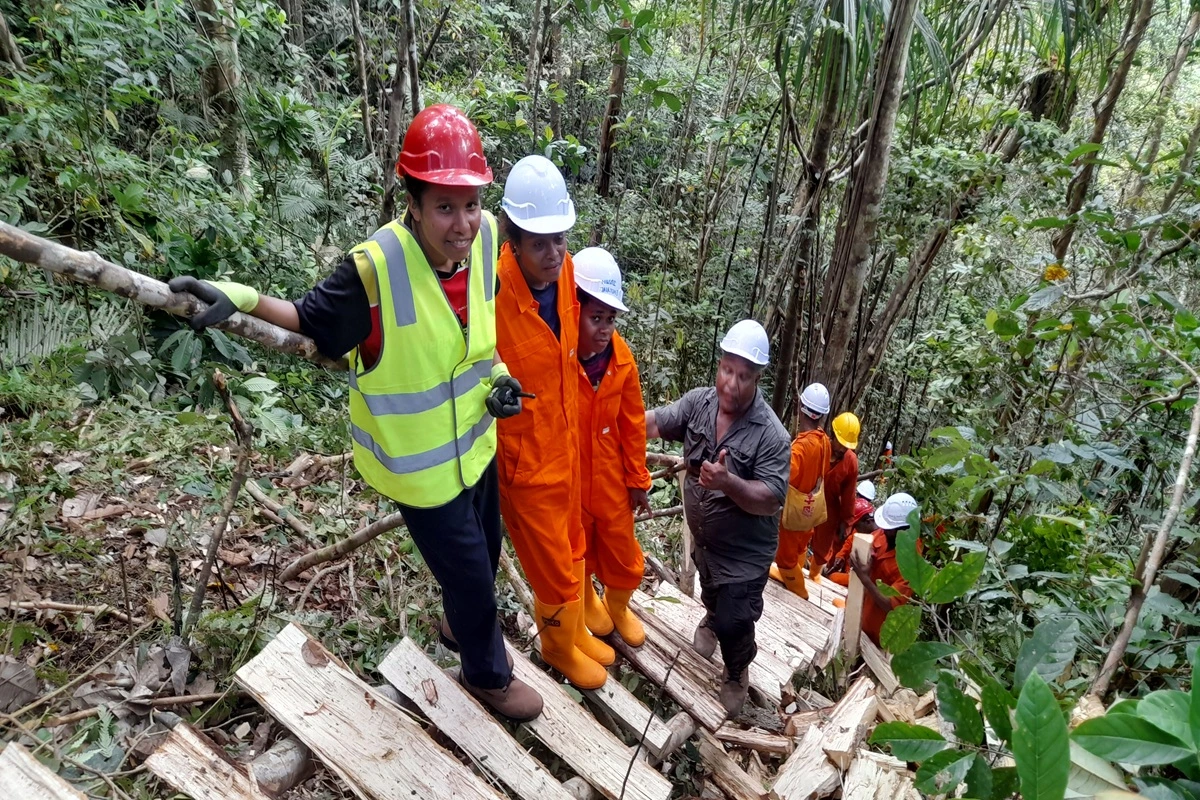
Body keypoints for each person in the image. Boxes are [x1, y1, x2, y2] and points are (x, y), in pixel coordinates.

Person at [167, 105, 543, 721]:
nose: (462, 223)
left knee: (487, 548)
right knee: (474, 574)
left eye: (471, 204)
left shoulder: (488, 245)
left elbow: (479, 345)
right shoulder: (375, 270)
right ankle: (488, 676)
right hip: (419, 472)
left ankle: (456, 621)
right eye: (444, 207)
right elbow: (310, 322)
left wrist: (500, 380)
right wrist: (240, 297)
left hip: (478, 447)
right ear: (413, 204)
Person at [495, 155, 613, 690]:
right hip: (524, 460)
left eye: (560, 239)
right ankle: (558, 644)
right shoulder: (491, 292)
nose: (553, 253)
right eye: (539, 243)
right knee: (550, 566)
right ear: (513, 238)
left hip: (564, 445)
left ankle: (575, 631)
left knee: (574, 543)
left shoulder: (566, 277)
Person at [645, 320, 791, 716]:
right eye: (727, 370)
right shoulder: (699, 403)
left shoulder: (772, 435)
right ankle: (712, 615)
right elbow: (658, 421)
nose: (732, 383)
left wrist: (729, 482)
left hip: (745, 554)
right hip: (705, 540)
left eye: (744, 376)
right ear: (719, 364)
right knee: (712, 591)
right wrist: (610, 425)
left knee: (735, 619)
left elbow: (771, 499)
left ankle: (737, 667)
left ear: (758, 378)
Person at [573, 247, 653, 647]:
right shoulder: (562, 358)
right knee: (578, 541)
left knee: (622, 546)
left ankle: (618, 604)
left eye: (610, 319)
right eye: (595, 318)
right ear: (575, 310)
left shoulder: (622, 362)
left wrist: (637, 479)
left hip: (609, 476)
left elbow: (633, 423)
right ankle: (586, 596)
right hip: (571, 474)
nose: (604, 328)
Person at [768, 383, 831, 600]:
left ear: (800, 405)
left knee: (785, 557)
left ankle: (800, 592)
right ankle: (793, 573)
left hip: (795, 511)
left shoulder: (801, 448)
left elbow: (784, 477)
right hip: (810, 509)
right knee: (801, 544)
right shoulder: (824, 441)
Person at [847, 492, 918, 644]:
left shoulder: (912, 564)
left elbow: (891, 605)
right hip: (859, 614)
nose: (884, 530)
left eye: (890, 529)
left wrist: (865, 579)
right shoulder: (884, 534)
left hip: (878, 634)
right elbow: (871, 540)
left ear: (904, 529)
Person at [806, 412, 860, 583]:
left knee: (823, 545)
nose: (842, 449)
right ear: (833, 434)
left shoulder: (850, 462)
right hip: (808, 496)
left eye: (847, 446)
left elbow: (849, 494)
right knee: (798, 533)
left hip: (830, 505)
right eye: (841, 443)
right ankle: (792, 566)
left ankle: (814, 575)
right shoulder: (819, 445)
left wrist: (846, 522)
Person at [825, 496, 876, 586]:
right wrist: (841, 556)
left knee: (833, 577)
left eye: (856, 525)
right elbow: (848, 543)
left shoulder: (878, 538)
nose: (854, 529)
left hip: (865, 582)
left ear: (867, 522)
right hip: (851, 573)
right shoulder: (860, 531)